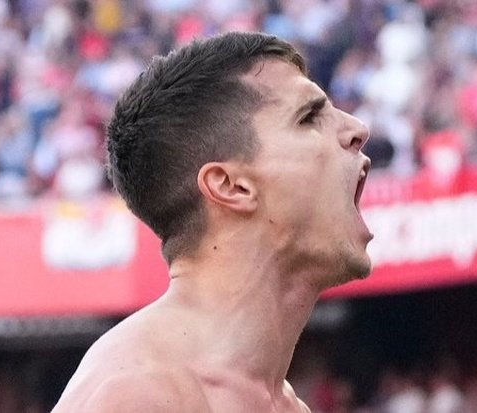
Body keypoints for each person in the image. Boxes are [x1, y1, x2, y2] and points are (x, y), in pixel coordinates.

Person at [51, 31, 373, 412]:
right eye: (308, 117)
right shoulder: (137, 394)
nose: (357, 130)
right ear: (231, 186)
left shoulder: (281, 404)